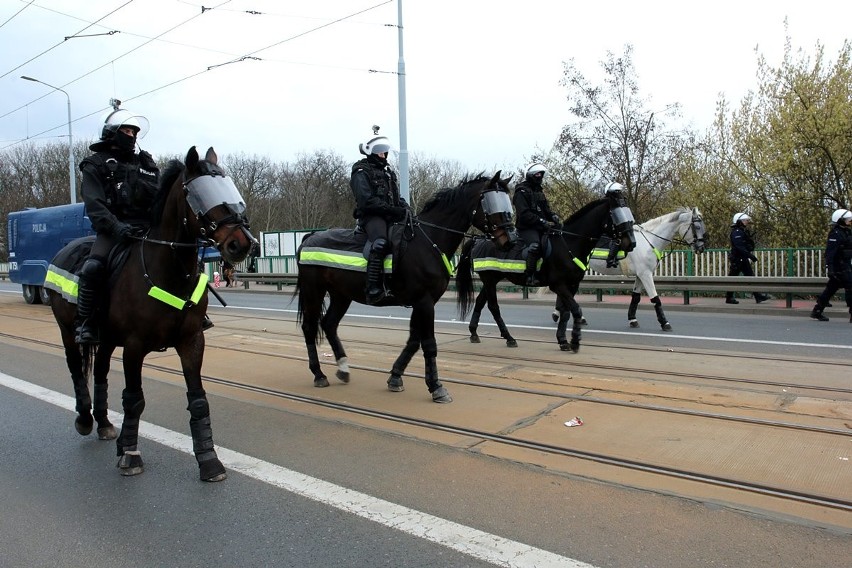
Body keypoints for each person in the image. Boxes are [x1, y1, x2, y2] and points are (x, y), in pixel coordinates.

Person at [350, 129, 410, 304]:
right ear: (370, 151)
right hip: (372, 217)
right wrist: (392, 210)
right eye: (379, 151)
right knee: (380, 243)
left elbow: (396, 197)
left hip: (389, 215)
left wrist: (404, 207)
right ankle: (372, 288)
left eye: (384, 150)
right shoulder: (361, 172)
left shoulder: (387, 172)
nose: (383, 154)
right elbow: (366, 201)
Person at [513, 163, 560, 286]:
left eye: (541, 175)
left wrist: (553, 216)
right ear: (530, 175)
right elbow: (523, 214)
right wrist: (541, 221)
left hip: (541, 227)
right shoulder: (521, 191)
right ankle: (530, 275)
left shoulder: (538, 191)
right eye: (537, 174)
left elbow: (545, 209)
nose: (540, 177)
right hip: (526, 228)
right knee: (535, 245)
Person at [810, 208, 852, 322]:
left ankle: (817, 311)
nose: (849, 222)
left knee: (830, 290)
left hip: (846, 265)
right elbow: (830, 253)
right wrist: (830, 268)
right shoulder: (835, 233)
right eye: (847, 220)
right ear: (840, 220)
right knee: (850, 287)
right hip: (839, 267)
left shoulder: (847, 232)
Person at [725, 212, 769, 304]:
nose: (746, 222)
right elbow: (739, 247)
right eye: (744, 220)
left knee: (750, 278)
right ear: (739, 221)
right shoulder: (736, 232)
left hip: (743, 259)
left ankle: (758, 296)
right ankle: (729, 298)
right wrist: (751, 256)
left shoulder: (741, 231)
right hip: (737, 260)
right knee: (732, 279)